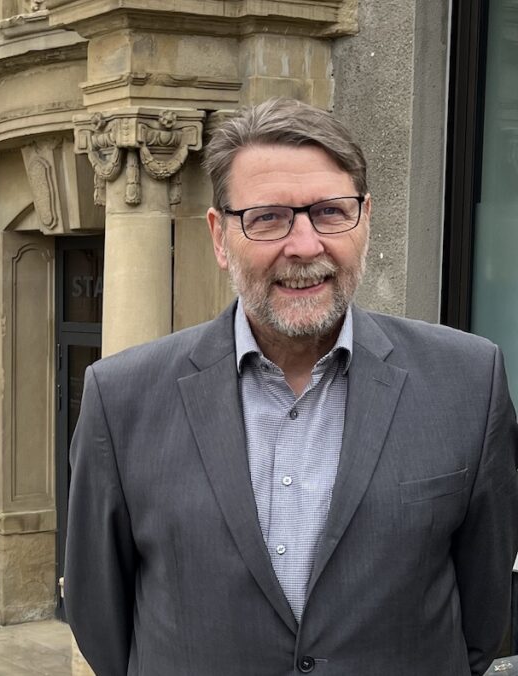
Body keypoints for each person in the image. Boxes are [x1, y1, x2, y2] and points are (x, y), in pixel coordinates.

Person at [64, 98, 518, 675]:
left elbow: (481, 621)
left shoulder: (468, 383)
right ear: (220, 236)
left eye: (330, 212)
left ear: (366, 219)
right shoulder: (121, 398)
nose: (305, 246)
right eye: (269, 217)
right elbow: (101, 622)